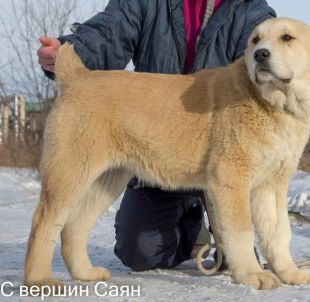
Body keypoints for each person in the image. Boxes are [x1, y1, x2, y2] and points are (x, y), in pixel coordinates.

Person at [37, 0, 276, 271]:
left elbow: (265, 60)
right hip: (159, 146)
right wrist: (71, 51)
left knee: (235, 249)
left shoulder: (250, 9)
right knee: (140, 250)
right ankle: (192, 227)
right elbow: (109, 31)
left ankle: (218, 228)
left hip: (222, 151)